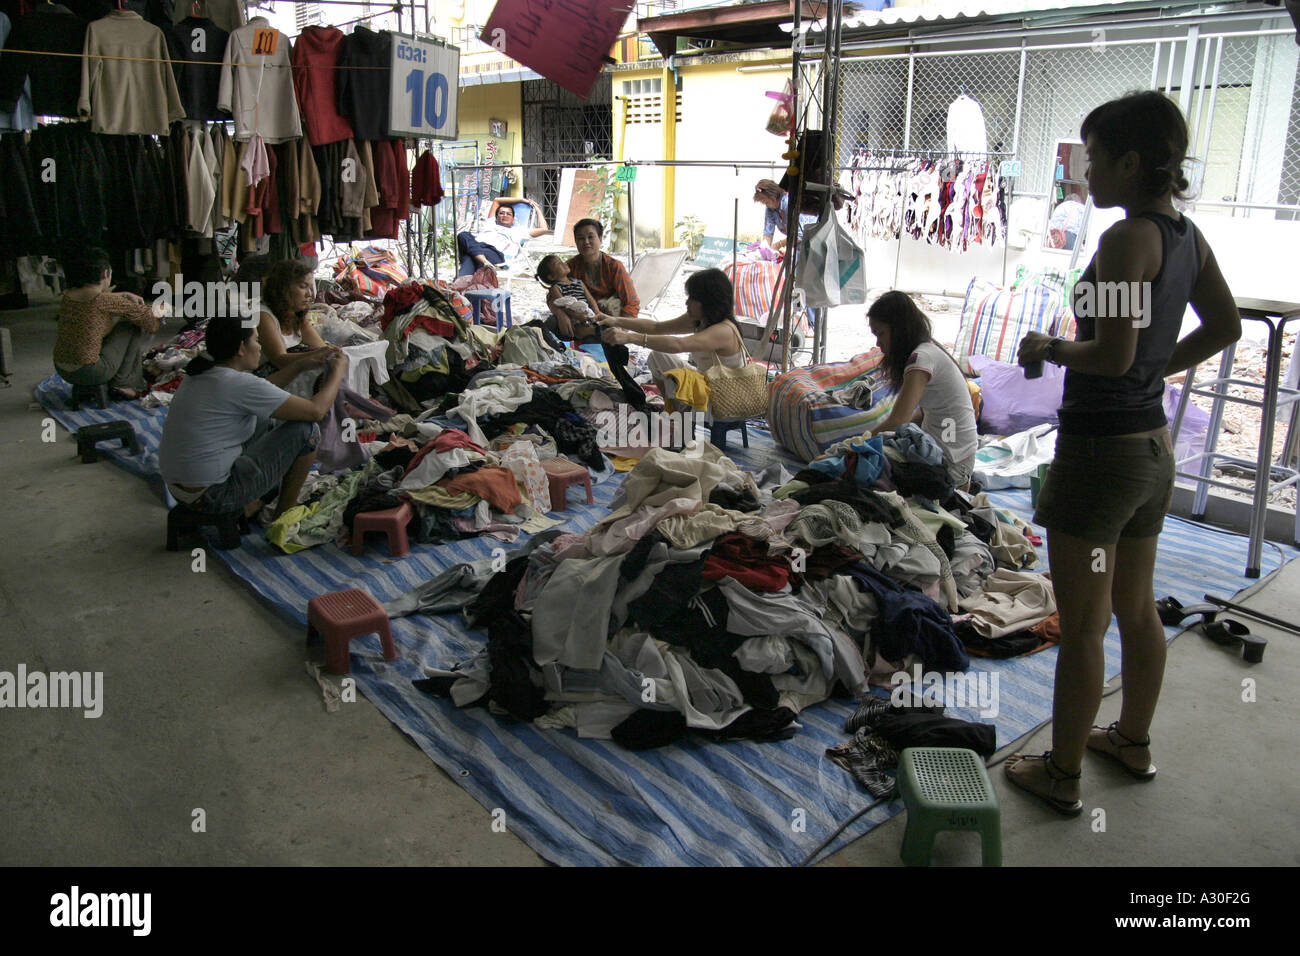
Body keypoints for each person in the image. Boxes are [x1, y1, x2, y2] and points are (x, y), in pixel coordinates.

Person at [1006, 91, 1241, 815]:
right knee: (1136, 610)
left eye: (1096, 157)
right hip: (1151, 448)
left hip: (1102, 456)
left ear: (1131, 161)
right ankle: (1130, 741)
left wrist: (1050, 347)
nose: (1085, 173)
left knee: (1083, 624)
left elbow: (1108, 356)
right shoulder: (1185, 237)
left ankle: (1062, 773)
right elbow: (1224, 325)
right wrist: (1155, 366)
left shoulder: (1123, 241)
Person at [159, 314, 347, 521]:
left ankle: (257, 502)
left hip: (179, 489)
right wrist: (338, 372)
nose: (259, 347)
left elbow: (265, 391)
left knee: (266, 418)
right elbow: (315, 411)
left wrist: (301, 365)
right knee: (307, 431)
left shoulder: (203, 374)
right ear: (241, 348)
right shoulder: (237, 383)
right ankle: (282, 516)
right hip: (213, 497)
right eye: (256, 341)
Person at [865, 291, 978, 489]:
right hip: (961, 455)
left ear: (898, 329)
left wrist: (858, 442)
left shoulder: (921, 359)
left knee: (868, 470)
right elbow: (923, 413)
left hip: (952, 463)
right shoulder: (930, 349)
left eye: (880, 333)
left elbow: (897, 419)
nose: (878, 343)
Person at [598, 268, 744, 412]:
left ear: (709, 301)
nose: (687, 303)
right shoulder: (701, 319)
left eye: (692, 298)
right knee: (657, 357)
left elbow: (678, 345)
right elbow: (656, 327)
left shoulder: (724, 330)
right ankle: (674, 411)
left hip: (725, 397)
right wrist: (615, 320)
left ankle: (680, 417)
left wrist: (629, 337)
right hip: (705, 382)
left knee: (678, 375)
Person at [52, 247, 161, 400]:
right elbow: (150, 322)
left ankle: (118, 381)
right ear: (106, 273)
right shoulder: (104, 301)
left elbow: (94, 299)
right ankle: (123, 384)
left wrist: (123, 295)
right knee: (131, 326)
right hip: (89, 372)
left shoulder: (67, 296)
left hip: (62, 369)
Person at [253, 259, 330, 377]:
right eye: (303, 286)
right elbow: (279, 359)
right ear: (283, 288)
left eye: (310, 287)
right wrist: (321, 354)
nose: (309, 294)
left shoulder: (296, 314)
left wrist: (331, 352)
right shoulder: (263, 315)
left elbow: (320, 347)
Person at [456, 197, 549, 276]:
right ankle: (484, 262)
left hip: (495, 253)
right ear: (496, 217)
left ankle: (458, 284)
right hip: (478, 246)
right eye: (501, 213)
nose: (505, 215)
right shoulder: (491, 223)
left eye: (508, 214)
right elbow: (497, 200)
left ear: (513, 219)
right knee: (463, 235)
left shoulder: (519, 231)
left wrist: (537, 209)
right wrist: (523, 200)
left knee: (469, 257)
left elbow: (544, 229)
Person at [566, 218, 639, 319]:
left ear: (600, 239)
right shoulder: (569, 267)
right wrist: (561, 314)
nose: (586, 242)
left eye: (590, 237)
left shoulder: (614, 267)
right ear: (575, 241)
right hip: (580, 318)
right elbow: (553, 294)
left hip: (610, 319)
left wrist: (620, 330)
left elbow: (632, 303)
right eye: (581, 238)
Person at [536, 253, 609, 341]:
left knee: (599, 324)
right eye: (558, 264)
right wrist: (576, 315)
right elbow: (563, 305)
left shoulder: (579, 282)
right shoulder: (555, 288)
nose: (564, 263)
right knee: (578, 329)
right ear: (552, 276)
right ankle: (595, 333)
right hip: (573, 317)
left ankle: (597, 333)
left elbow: (590, 299)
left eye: (561, 261)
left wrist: (597, 313)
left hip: (587, 312)